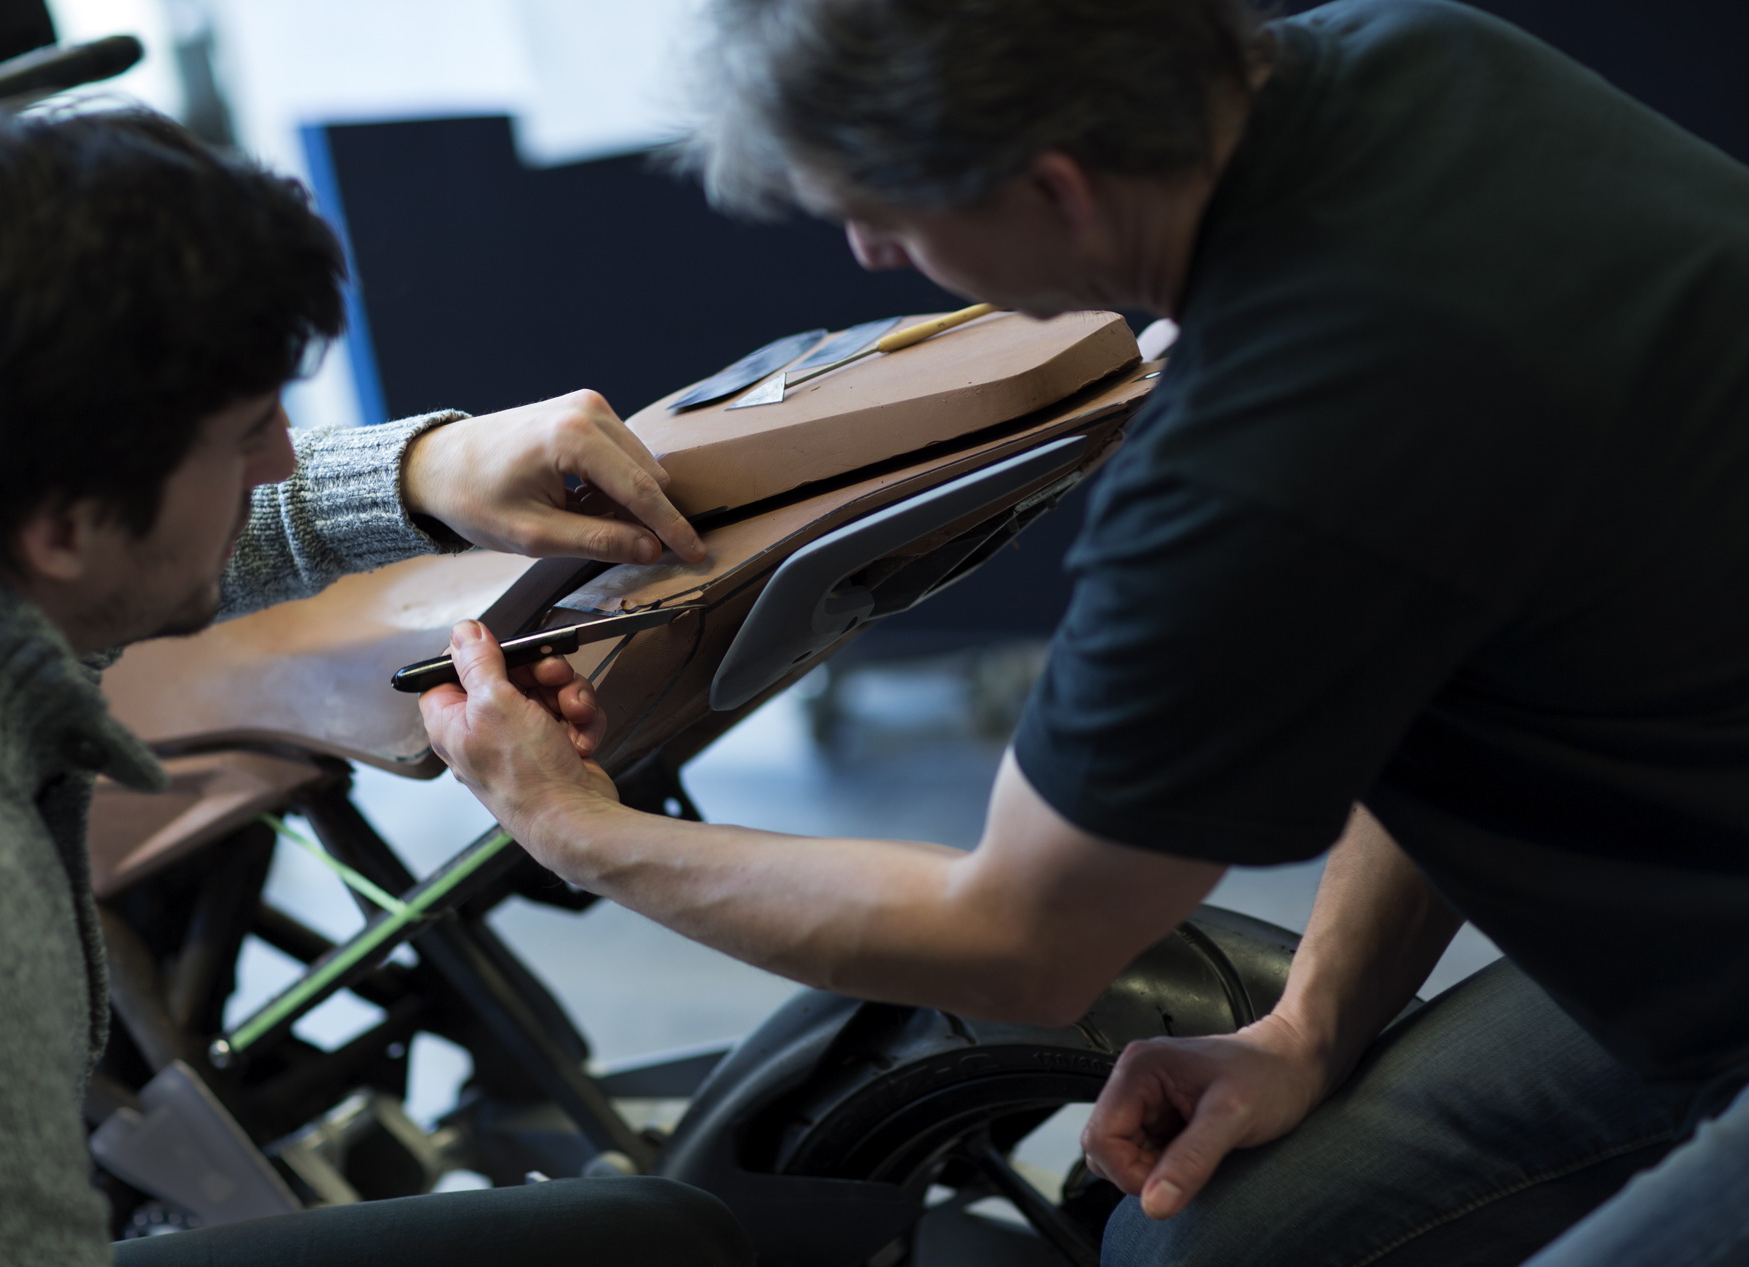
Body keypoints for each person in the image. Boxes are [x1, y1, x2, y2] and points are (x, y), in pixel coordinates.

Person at [417, 0, 1749, 1264]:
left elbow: (1021, 939)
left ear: (1053, 188)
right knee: (1212, 1239)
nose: (872, 254)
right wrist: (1310, 1025)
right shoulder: (1417, 56)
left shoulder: (1261, 452)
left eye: (889, 217)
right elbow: (1457, 636)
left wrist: (574, 827)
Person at [0, 106, 751, 1267]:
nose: (281, 459)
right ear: (61, 529)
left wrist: (423, 472)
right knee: (653, 1244)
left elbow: (175, 532)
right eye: (243, 435)